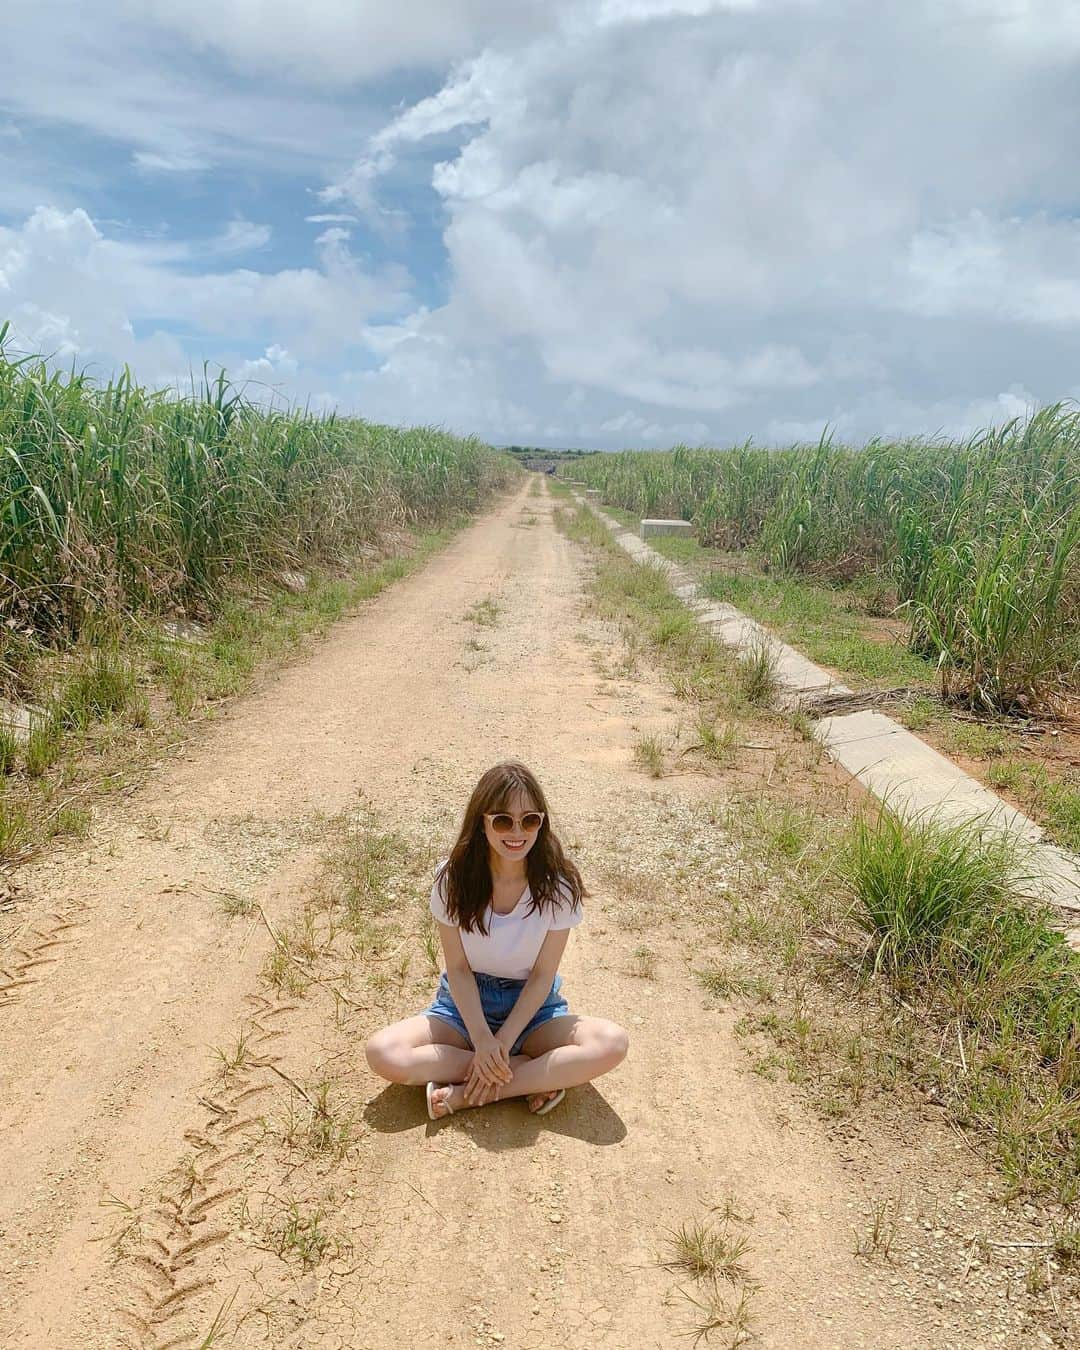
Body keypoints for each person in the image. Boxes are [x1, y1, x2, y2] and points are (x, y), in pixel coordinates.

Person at [364, 761, 629, 1119]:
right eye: (503, 820)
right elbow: (457, 969)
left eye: (530, 820)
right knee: (383, 1052)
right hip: (465, 1004)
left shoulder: (558, 886)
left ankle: (481, 1091)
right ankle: (530, 1074)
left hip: (533, 1009)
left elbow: (542, 975)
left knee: (611, 1044)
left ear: (542, 822)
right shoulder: (452, 879)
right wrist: (484, 1039)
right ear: (482, 821)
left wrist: (502, 1041)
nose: (517, 832)